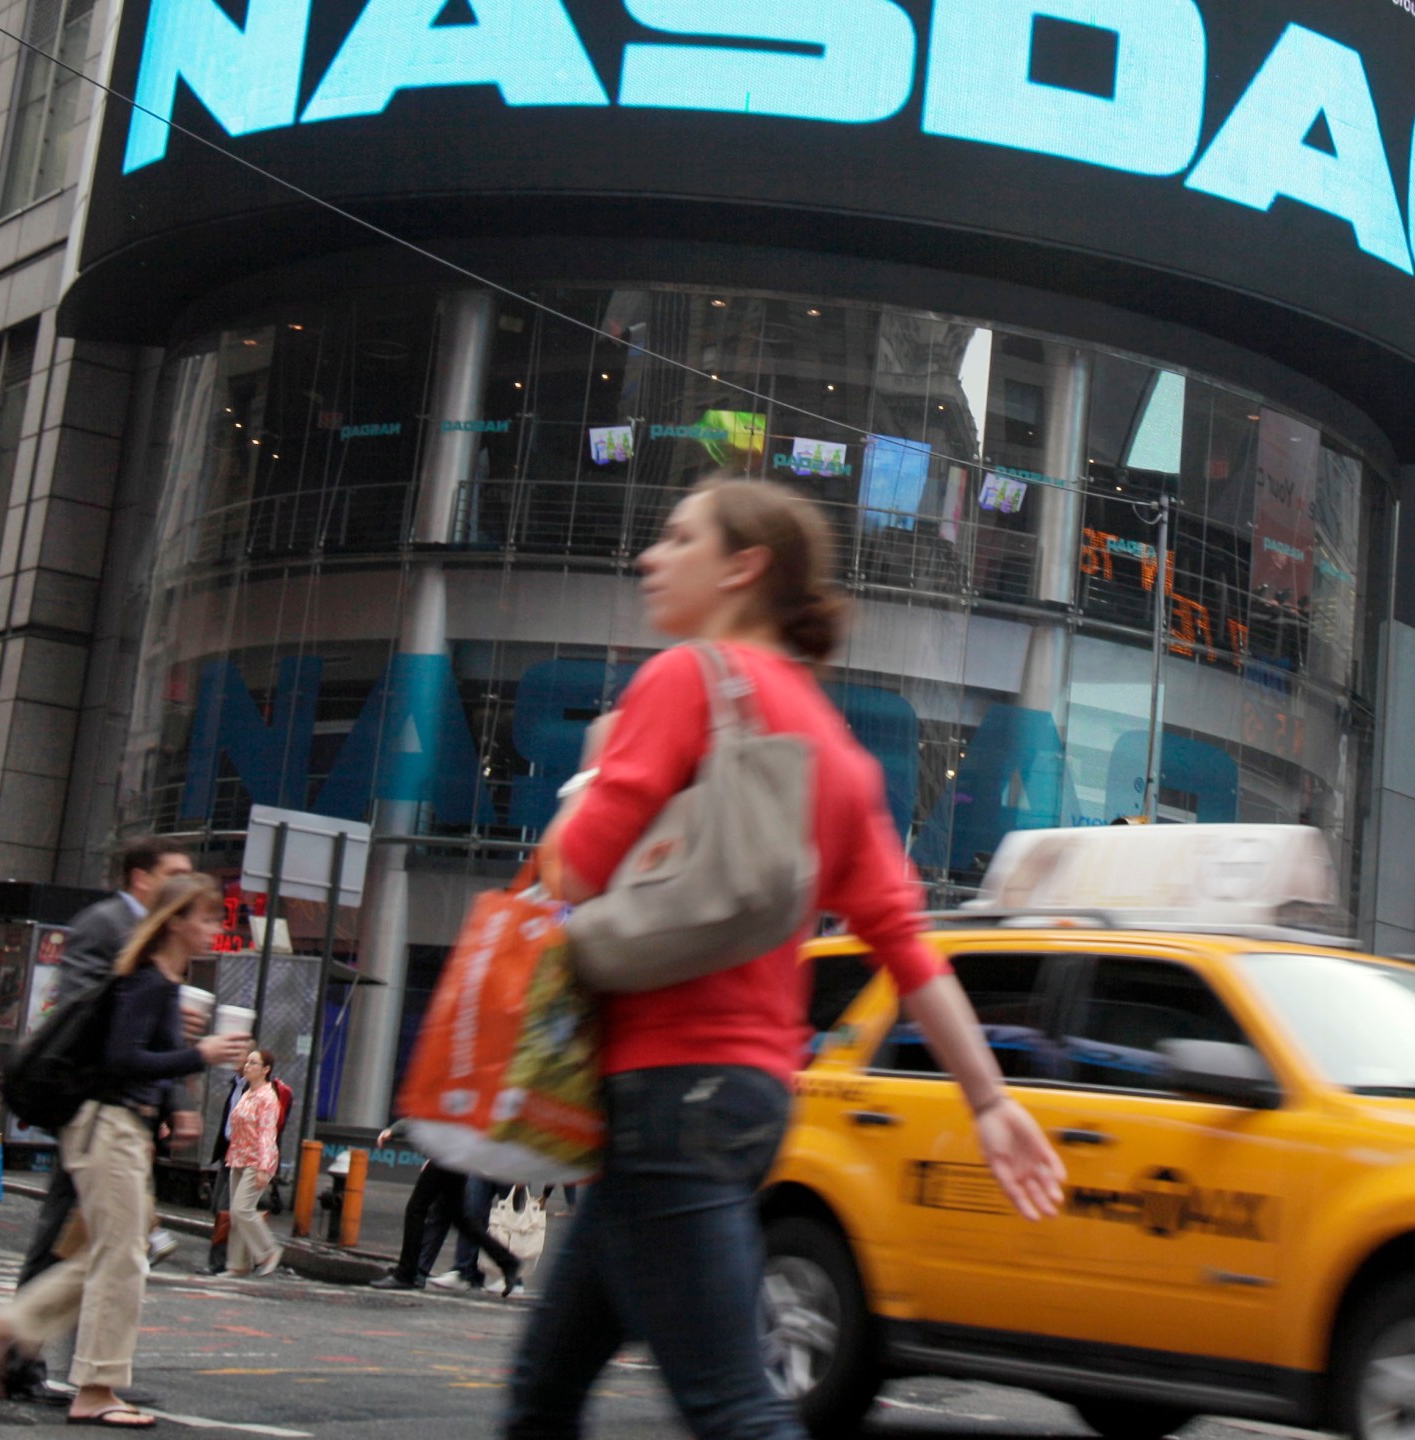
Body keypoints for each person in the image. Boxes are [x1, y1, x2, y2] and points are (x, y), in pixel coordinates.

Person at [504, 476, 1065, 1440]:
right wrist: (989, 1099)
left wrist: (594, 770)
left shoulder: (686, 679)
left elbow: (573, 868)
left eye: (678, 538)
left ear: (742, 566)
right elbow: (907, 949)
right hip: (749, 1102)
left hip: (664, 1094)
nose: (650, 557)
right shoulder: (836, 754)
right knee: (542, 1399)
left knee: (736, 1410)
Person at [0, 873, 251, 1427]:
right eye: (210, 918)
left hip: (122, 1132)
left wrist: (181, 1058)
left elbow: (137, 1057)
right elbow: (122, 1062)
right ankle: (95, 1387)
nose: (216, 929)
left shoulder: (160, 982)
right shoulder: (147, 982)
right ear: (179, 921)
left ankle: (1, 1329)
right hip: (110, 1129)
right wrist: (201, 1054)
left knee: (106, 1253)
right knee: (121, 1260)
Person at [5, 839, 193, 1405]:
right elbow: (88, 1012)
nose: (185, 883)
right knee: (70, 1234)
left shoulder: (165, 934)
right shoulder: (103, 924)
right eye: (174, 873)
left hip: (131, 1109)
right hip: (94, 1106)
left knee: (96, 1241)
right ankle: (19, 1355)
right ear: (141, 878)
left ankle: (53, 1358)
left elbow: (164, 1032)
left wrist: (171, 1101)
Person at [368, 1146, 521, 1296]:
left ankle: (406, 1273)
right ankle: (507, 1261)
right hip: (459, 1153)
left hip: (449, 1151)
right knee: (458, 1216)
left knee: (417, 1207)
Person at [217, 1049, 285, 1279]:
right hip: (239, 1157)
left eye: (254, 1063)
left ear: (266, 1069)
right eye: (247, 1062)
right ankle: (237, 1265)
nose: (247, 1066)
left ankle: (268, 1251)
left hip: (257, 1160)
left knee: (242, 1209)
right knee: (236, 1214)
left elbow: (268, 1134)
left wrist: (264, 1169)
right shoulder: (248, 1093)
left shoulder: (267, 1097)